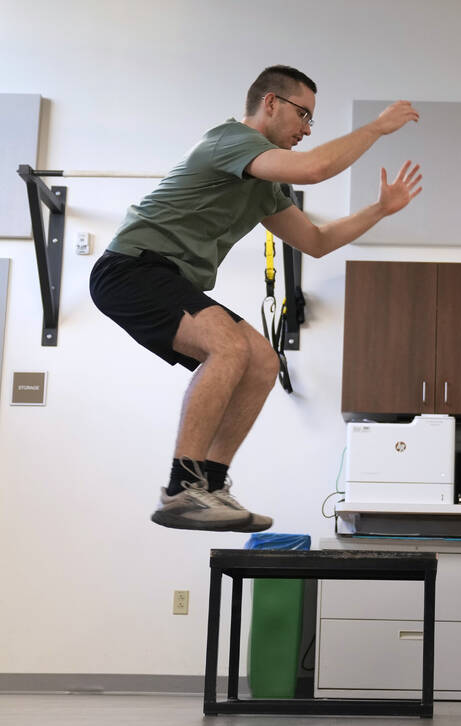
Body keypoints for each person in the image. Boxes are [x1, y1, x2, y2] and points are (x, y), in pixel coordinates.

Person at [90, 65, 422, 532]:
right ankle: (181, 488)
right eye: (303, 115)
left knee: (263, 359)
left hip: (166, 277)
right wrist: (376, 127)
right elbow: (316, 168)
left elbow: (317, 241)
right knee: (226, 346)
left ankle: (210, 484)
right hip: (130, 268)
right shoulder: (229, 141)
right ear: (270, 103)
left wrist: (379, 210)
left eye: (312, 121)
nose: (306, 129)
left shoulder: (266, 184)